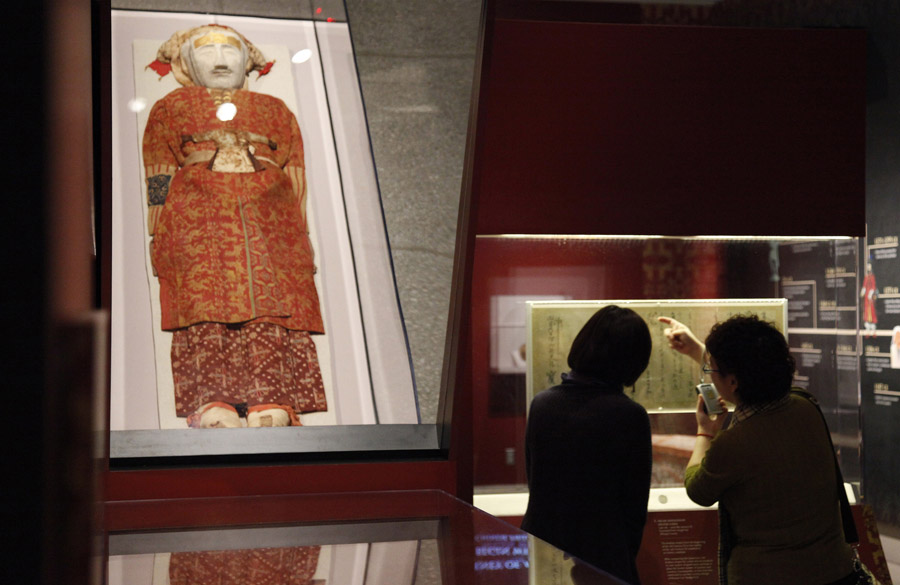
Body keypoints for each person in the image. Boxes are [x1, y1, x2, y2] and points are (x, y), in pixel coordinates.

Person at [143, 25, 327, 428]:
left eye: (231, 50)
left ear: (248, 60)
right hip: (196, 215)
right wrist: (157, 225)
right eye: (208, 52)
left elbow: (295, 173)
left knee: (272, 302)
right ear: (187, 62)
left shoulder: (276, 109)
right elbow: (158, 170)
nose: (222, 60)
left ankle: (271, 398)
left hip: (270, 217)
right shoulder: (170, 107)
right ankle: (214, 402)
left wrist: (299, 229)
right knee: (203, 300)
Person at [659, 314, 856, 585]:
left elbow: (698, 490)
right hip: (834, 570)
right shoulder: (805, 405)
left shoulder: (733, 443)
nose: (710, 375)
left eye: (711, 369)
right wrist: (697, 351)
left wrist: (705, 432)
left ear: (733, 381)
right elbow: (755, 368)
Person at [522, 305, 653, 584]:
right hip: (605, 555)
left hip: (543, 548)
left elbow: (535, 480)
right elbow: (634, 505)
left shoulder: (542, 404)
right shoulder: (630, 415)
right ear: (634, 360)